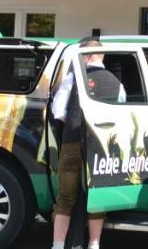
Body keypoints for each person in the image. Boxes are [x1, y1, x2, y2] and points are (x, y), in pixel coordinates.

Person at [50, 38, 125, 249]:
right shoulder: (117, 84)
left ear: (87, 56)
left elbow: (59, 112)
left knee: (65, 197)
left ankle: (57, 245)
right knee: (98, 198)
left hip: (72, 142)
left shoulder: (72, 79)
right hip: (100, 150)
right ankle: (94, 244)